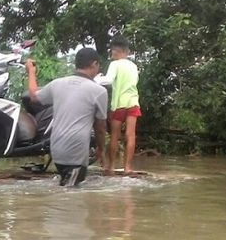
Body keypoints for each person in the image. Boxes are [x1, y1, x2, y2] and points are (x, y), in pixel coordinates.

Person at [26, 48, 108, 186]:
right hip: (76, 151)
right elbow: (100, 128)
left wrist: (31, 72)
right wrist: (101, 149)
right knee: (71, 197)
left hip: (56, 149)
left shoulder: (57, 84)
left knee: (66, 187)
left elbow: (33, 96)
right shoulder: (99, 91)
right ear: (94, 64)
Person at [98, 35, 140, 175]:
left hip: (119, 104)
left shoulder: (115, 64)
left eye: (112, 51)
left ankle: (111, 167)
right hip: (133, 103)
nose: (112, 54)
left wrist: (96, 80)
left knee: (115, 136)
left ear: (117, 51)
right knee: (131, 135)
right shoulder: (134, 66)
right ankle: (128, 168)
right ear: (127, 51)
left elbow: (108, 81)